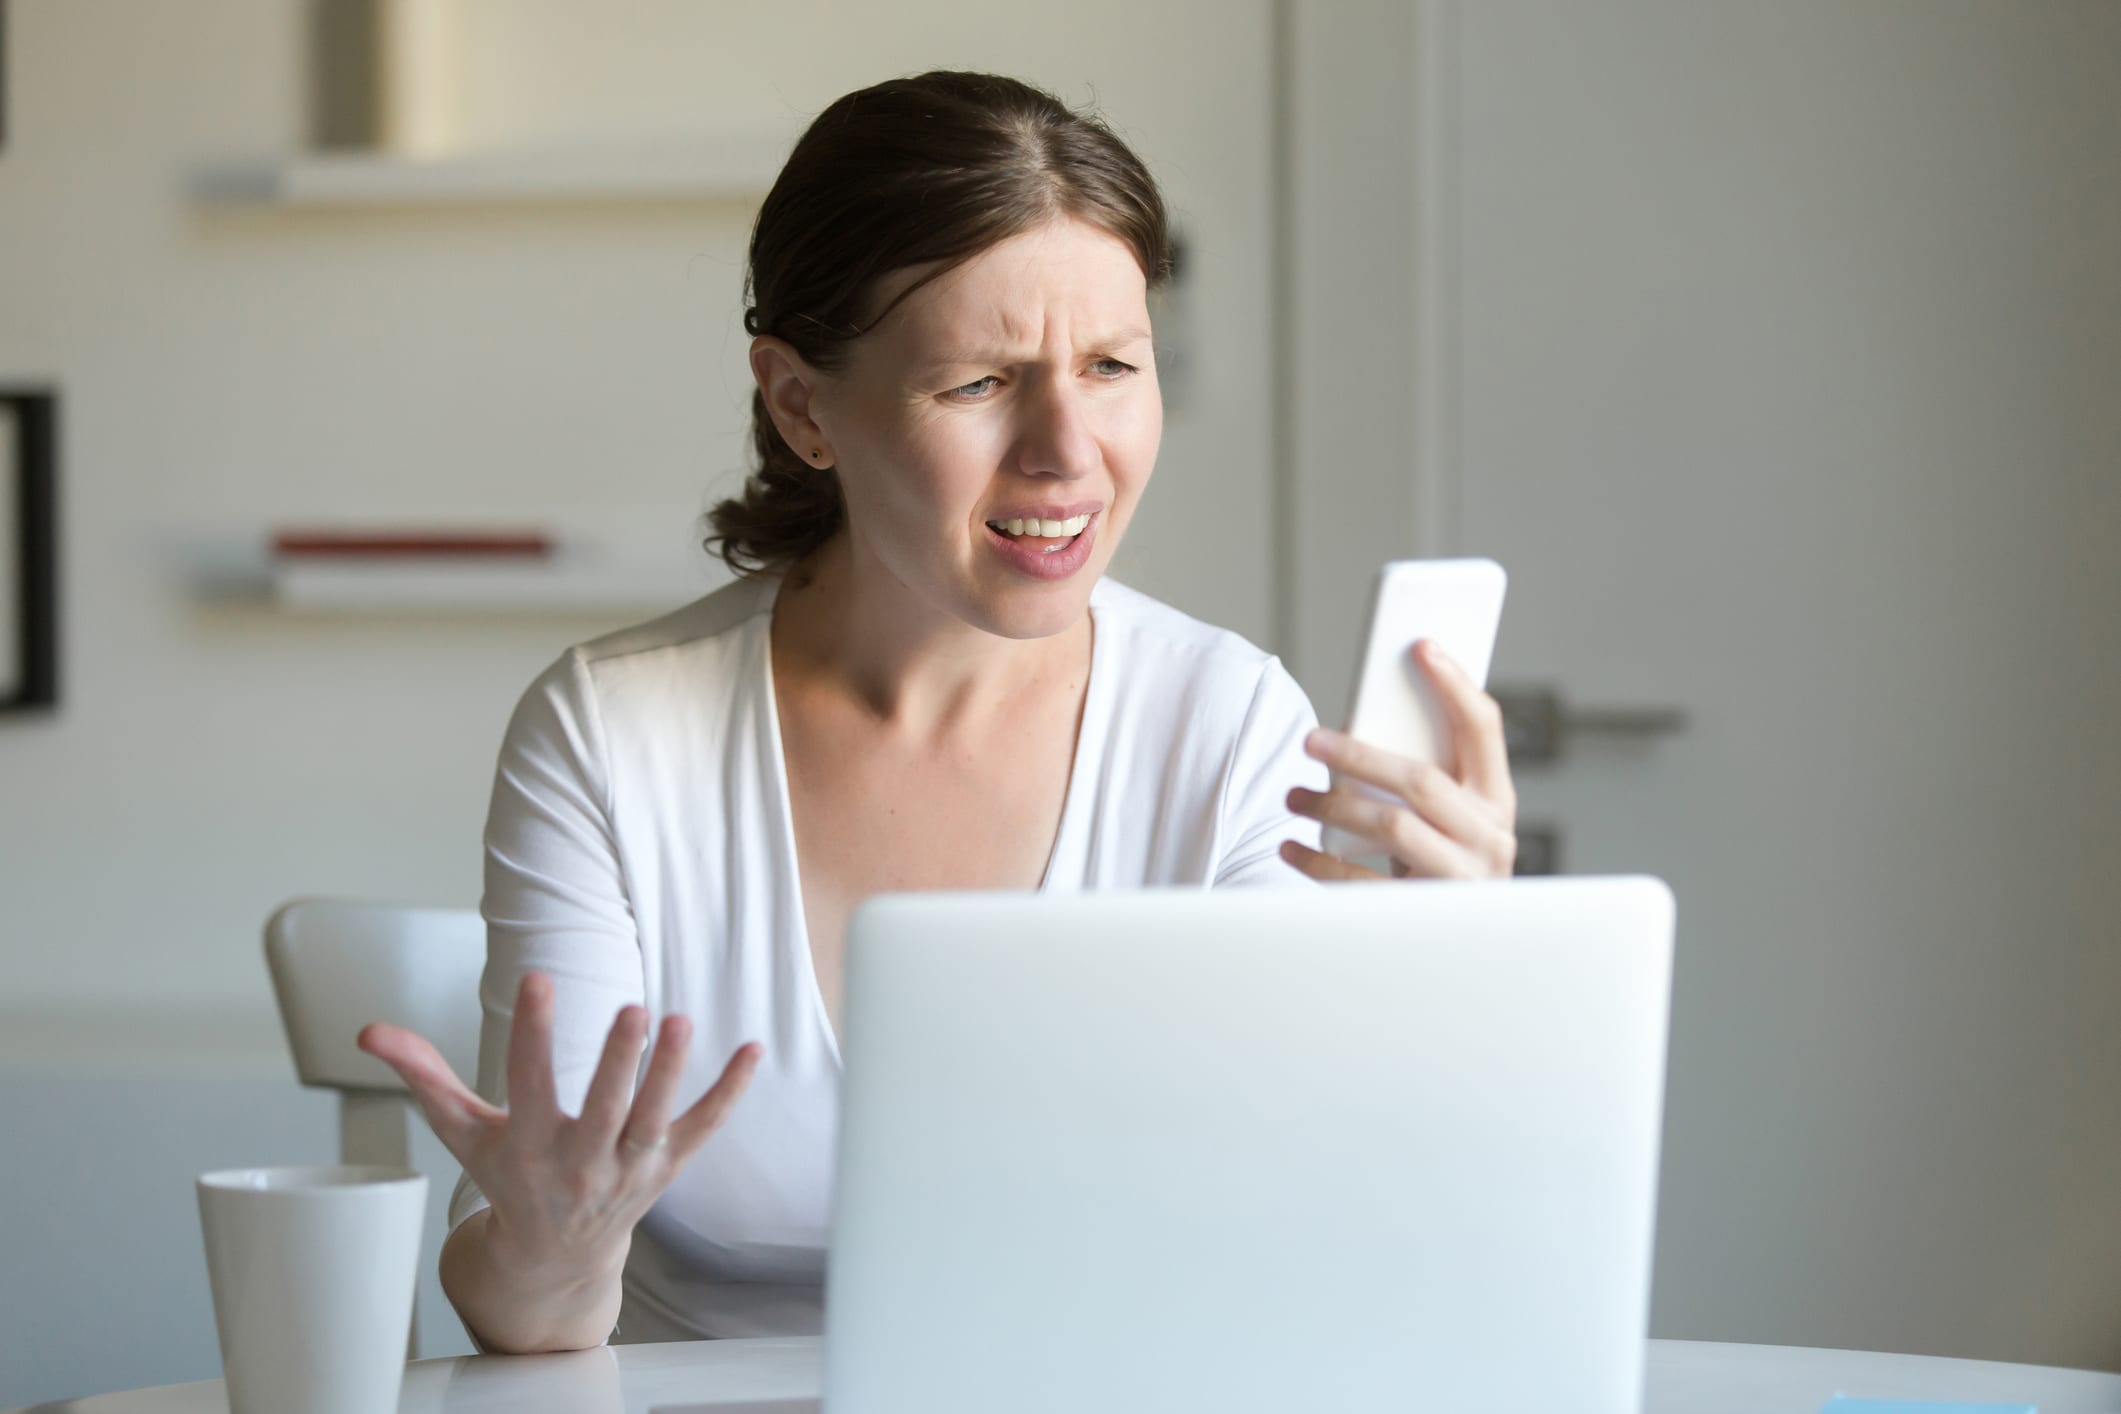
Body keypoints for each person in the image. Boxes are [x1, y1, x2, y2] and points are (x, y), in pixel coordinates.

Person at [358, 70, 1519, 1355]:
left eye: (1112, 365)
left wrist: (1443, 1008)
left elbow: (1292, 1245)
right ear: (804, 406)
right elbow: (531, 1318)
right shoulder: (613, 736)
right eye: (979, 383)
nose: (1068, 448)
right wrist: (552, 1244)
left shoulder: (1233, 728)